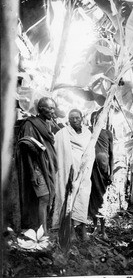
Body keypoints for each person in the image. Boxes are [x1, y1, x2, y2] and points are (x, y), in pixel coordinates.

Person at [16, 97, 58, 233]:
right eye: (50, 108)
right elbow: (26, 148)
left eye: (54, 108)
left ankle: (41, 228)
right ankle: (43, 231)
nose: (53, 111)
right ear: (41, 109)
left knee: (46, 198)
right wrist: (32, 172)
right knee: (44, 197)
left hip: (47, 167)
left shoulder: (47, 124)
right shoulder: (30, 124)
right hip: (36, 167)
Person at [52, 108, 92, 240]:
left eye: (77, 117)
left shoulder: (88, 134)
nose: (75, 120)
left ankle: (81, 226)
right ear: (68, 120)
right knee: (68, 196)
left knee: (83, 197)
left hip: (84, 173)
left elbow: (90, 153)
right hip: (68, 172)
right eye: (72, 118)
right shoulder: (62, 134)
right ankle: (69, 228)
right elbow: (57, 151)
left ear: (82, 118)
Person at [88, 110, 114, 240]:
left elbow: (111, 154)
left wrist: (112, 173)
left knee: (102, 199)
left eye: (98, 119)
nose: (96, 121)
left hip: (104, 171)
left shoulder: (107, 133)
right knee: (92, 198)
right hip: (91, 170)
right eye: (94, 118)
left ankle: (103, 230)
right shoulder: (88, 131)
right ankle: (94, 227)